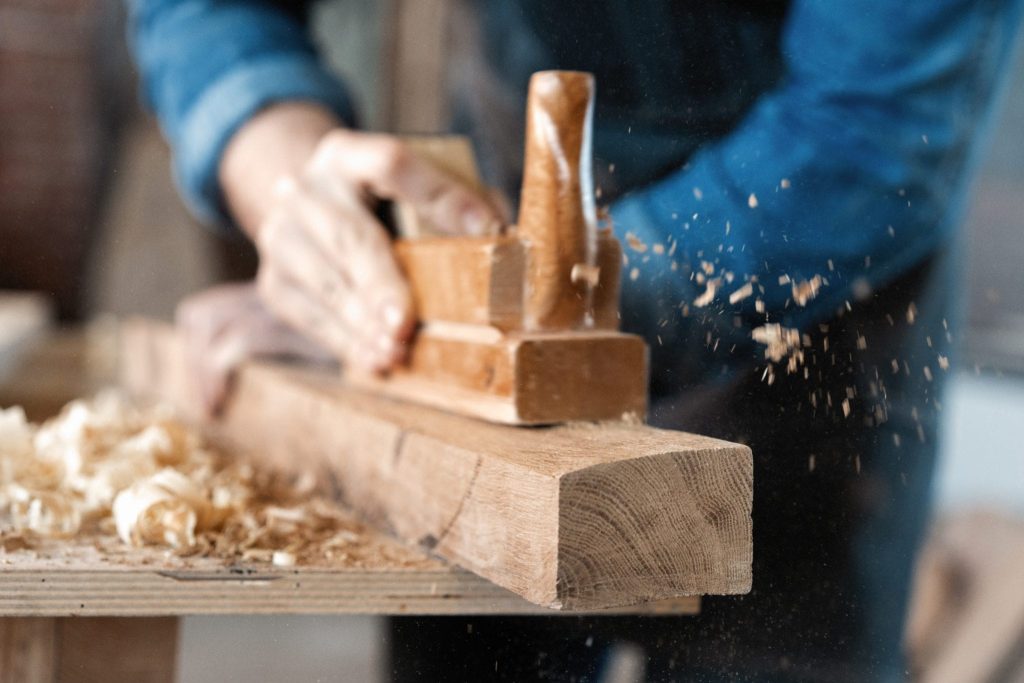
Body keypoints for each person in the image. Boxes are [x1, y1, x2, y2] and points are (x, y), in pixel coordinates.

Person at [130, 1, 1023, 680]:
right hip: (497, 256)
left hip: (815, 313)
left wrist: (518, 311)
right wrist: (294, 193)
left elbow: (873, 130)